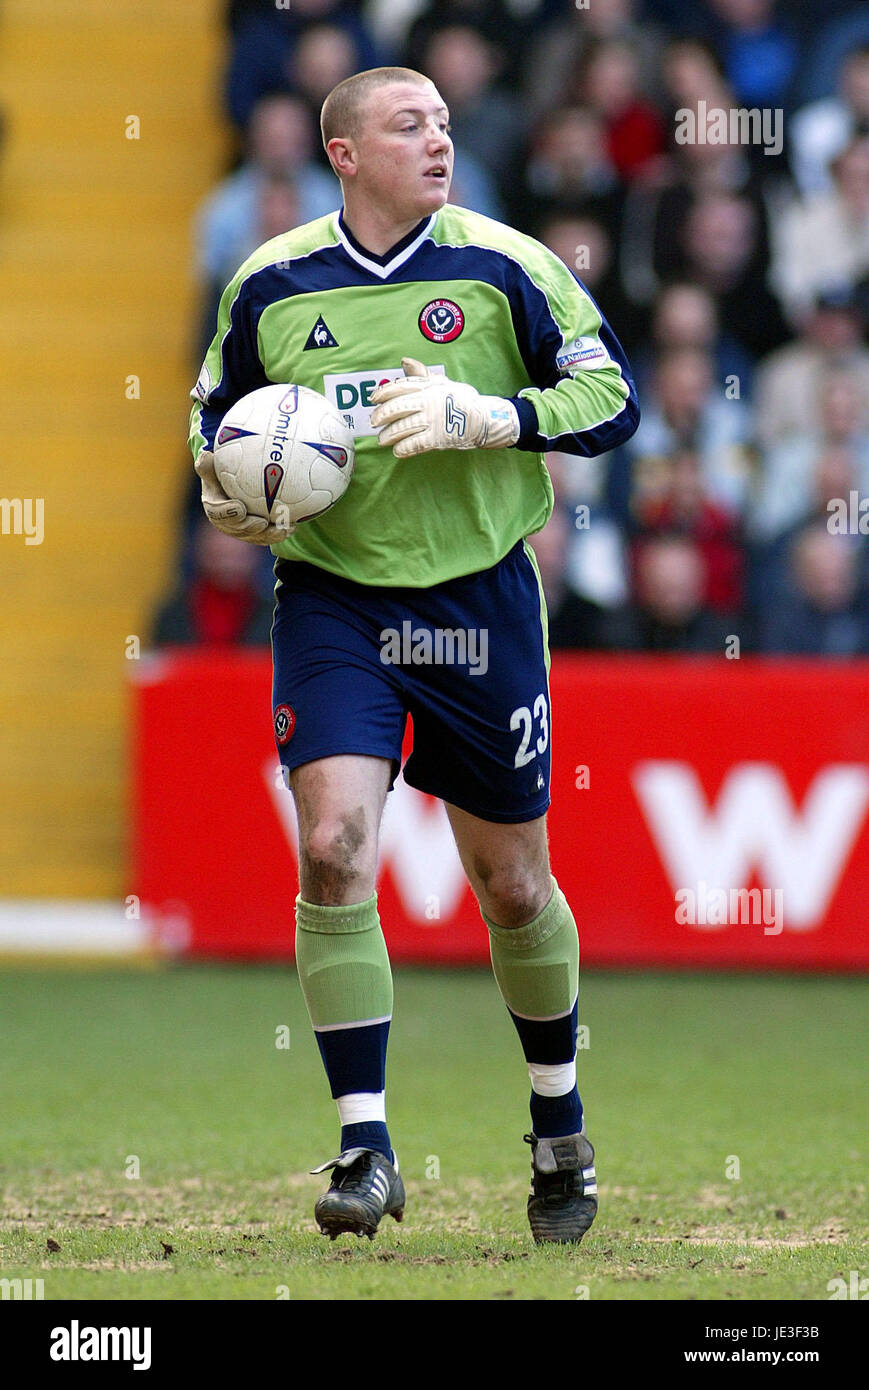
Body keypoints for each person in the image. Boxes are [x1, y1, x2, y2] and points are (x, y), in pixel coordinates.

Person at [188, 66, 639, 1245]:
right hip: (334, 598)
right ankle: (366, 1148)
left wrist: (491, 416)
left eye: (442, 122)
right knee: (333, 846)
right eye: (408, 124)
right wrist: (232, 488)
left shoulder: (505, 264)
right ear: (344, 153)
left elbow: (612, 397)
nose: (438, 140)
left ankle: (556, 1120)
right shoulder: (272, 282)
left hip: (476, 600)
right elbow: (212, 421)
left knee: (513, 884)